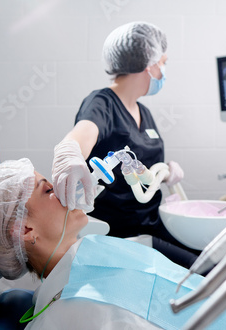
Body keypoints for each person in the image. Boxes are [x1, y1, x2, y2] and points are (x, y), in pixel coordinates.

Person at [0, 159, 226, 329]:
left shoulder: (93, 249)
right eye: (48, 189)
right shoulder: (68, 314)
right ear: (26, 230)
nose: (64, 188)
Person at [51, 21, 196, 268]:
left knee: (209, 261)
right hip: (120, 235)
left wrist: (166, 172)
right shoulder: (102, 102)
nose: (163, 70)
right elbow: (81, 135)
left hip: (152, 223)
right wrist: (69, 154)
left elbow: (144, 169)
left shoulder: (144, 112)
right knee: (202, 273)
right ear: (148, 64)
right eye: (163, 62)